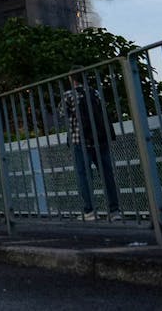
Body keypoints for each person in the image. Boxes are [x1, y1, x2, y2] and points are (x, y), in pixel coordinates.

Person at [64, 66, 121, 221]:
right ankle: (114, 211)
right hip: (100, 139)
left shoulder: (68, 95)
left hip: (80, 140)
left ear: (71, 79)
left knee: (84, 175)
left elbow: (64, 115)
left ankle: (90, 211)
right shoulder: (94, 93)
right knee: (107, 174)